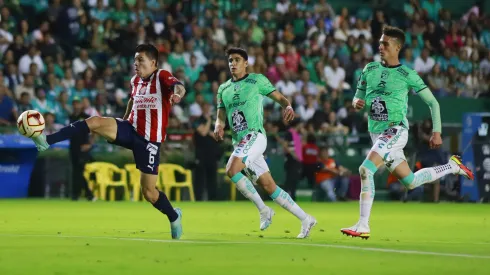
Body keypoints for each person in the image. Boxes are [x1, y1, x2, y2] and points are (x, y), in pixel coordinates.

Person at [28, 44, 185, 239]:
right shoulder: (135, 80)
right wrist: (124, 119)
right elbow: (132, 100)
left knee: (149, 192)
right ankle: (46, 140)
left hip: (149, 141)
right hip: (130, 129)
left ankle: (173, 215)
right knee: (93, 121)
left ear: (153, 62)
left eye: (141, 60)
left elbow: (179, 85)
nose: (136, 64)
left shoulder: (161, 76)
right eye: (135, 60)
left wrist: (177, 94)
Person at [341, 26, 474, 239]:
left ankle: (363, 225)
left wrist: (437, 131)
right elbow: (358, 96)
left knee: (366, 169)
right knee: (410, 181)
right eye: (380, 42)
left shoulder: (408, 75)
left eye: (385, 43)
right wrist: (356, 102)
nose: (381, 46)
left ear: (397, 47)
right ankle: (452, 166)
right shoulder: (369, 69)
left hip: (395, 130)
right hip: (376, 133)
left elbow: (433, 103)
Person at [214, 47, 317, 239]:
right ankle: (306, 218)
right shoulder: (223, 89)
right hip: (240, 142)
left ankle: (263, 210)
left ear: (246, 63)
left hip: (255, 136)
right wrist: (218, 126)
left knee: (231, 169)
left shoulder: (257, 80)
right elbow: (220, 115)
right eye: (230, 60)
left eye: (237, 60)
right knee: (270, 187)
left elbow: (279, 97)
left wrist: (287, 105)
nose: (233, 64)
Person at [69, 97, 95, 201]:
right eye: (74, 104)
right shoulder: (71, 117)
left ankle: (84, 194)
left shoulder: (86, 117)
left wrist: (89, 144)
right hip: (73, 147)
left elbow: (95, 131)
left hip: (83, 147)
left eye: (77, 103)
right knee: (76, 171)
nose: (76, 106)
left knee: (79, 171)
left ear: (81, 105)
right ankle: (80, 194)